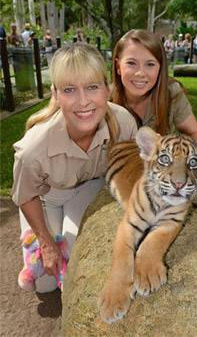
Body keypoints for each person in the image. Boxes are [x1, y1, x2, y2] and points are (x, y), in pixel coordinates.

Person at [11, 42, 137, 293]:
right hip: (46, 198)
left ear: (108, 89)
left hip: (88, 188)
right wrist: (46, 243)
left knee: (72, 257)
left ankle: (65, 237)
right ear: (55, 94)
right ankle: (36, 249)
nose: (83, 102)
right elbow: (25, 195)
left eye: (92, 87)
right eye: (69, 89)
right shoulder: (32, 148)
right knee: (45, 284)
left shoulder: (123, 122)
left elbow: (131, 169)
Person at [110, 29, 197, 178]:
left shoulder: (171, 93)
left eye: (150, 64)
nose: (140, 73)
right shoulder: (105, 101)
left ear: (160, 68)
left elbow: (194, 132)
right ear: (118, 66)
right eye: (131, 63)